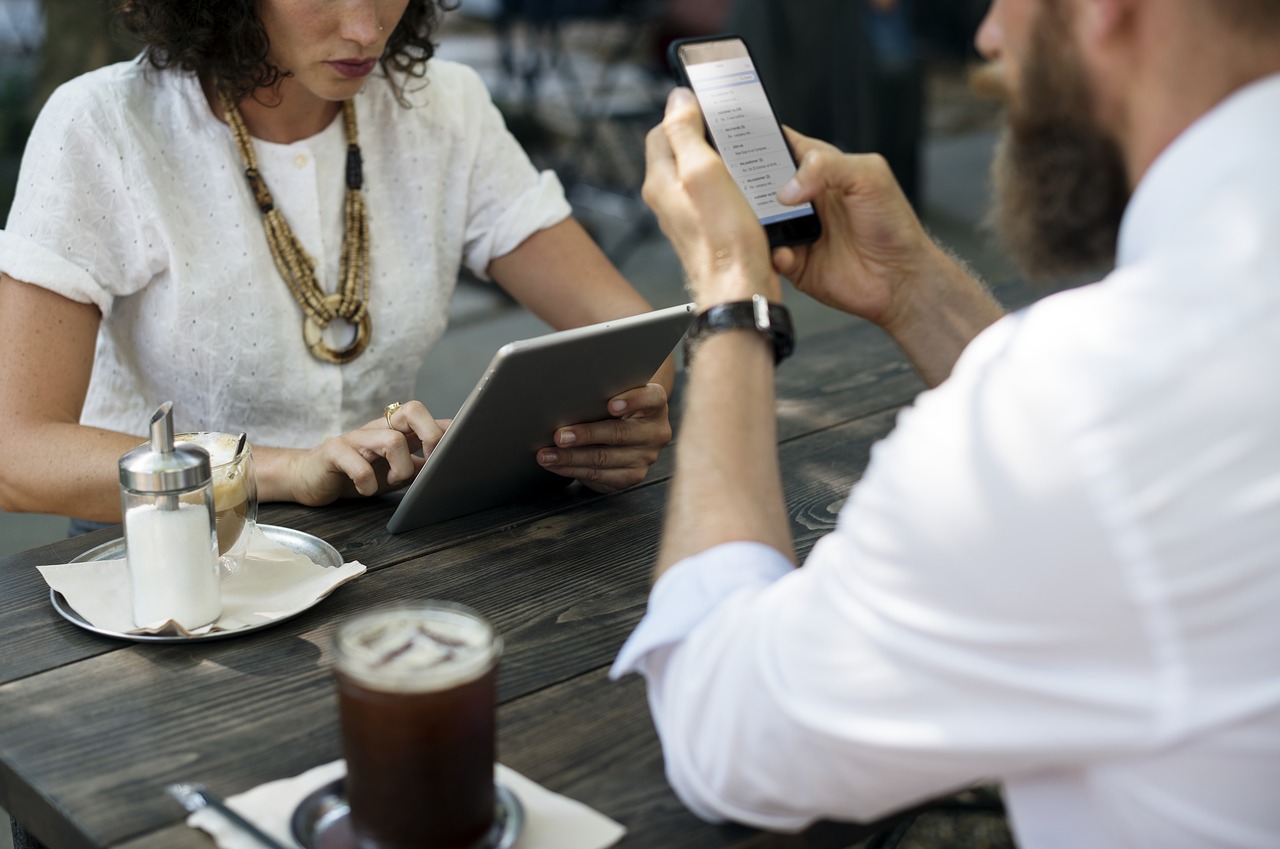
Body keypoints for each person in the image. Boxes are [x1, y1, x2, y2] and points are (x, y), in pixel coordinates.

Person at [612, 0, 1280, 846]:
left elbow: (731, 733)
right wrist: (914, 286)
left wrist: (730, 297)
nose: (989, 36)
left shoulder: (1096, 403)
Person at [0, 0, 676, 529]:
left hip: (378, 551)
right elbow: (17, 455)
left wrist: (615, 425)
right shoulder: (106, 127)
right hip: (161, 567)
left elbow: (633, 338)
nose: (366, 28)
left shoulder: (443, 107)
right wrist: (287, 471)